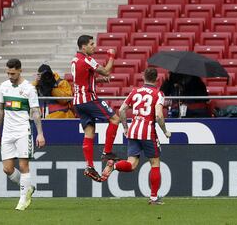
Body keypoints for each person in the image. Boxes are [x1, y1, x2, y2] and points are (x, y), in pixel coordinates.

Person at [101, 68, 171, 205]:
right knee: (155, 164)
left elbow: (121, 110)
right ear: (156, 79)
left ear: (143, 77)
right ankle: (153, 198)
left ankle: (113, 165)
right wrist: (165, 131)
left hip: (133, 130)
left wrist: (125, 127)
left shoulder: (135, 91)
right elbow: (158, 115)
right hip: (148, 132)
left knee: (131, 164)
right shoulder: (159, 94)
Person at [0, 58, 46, 211]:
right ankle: (28, 188)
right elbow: (0, 110)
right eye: (8, 73)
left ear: (20, 70)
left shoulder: (29, 88)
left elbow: (36, 112)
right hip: (7, 132)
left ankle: (23, 199)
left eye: (13, 73)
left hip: (23, 131)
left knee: (23, 166)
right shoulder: (4, 86)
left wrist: (40, 134)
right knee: (7, 169)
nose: (10, 76)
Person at [71, 35, 120, 182]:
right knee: (115, 119)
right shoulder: (87, 59)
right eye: (92, 44)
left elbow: (82, 80)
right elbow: (105, 70)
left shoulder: (75, 60)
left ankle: (90, 166)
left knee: (89, 132)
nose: (95, 47)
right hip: (88, 99)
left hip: (78, 102)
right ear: (83, 47)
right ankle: (107, 152)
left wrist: (97, 80)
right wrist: (111, 56)